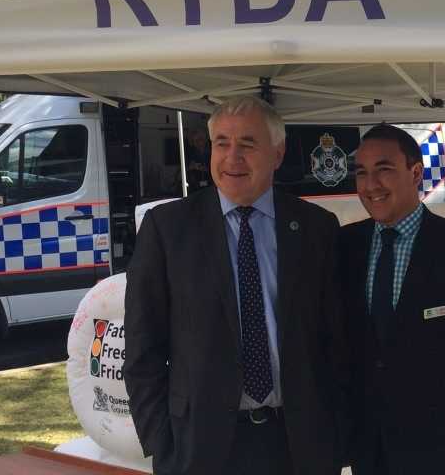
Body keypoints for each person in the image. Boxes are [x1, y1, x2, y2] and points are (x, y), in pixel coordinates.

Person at [124, 96, 349, 475]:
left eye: (247, 144)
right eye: (222, 143)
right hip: (201, 447)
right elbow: (143, 349)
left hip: (300, 443)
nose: (232, 157)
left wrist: (337, 433)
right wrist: (162, 443)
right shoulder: (167, 229)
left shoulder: (316, 228)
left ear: (277, 154)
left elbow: (337, 342)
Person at [338, 124, 445, 475]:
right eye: (362, 173)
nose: (371, 185)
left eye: (384, 170)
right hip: (368, 444)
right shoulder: (343, 246)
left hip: (441, 445)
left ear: (415, 173)